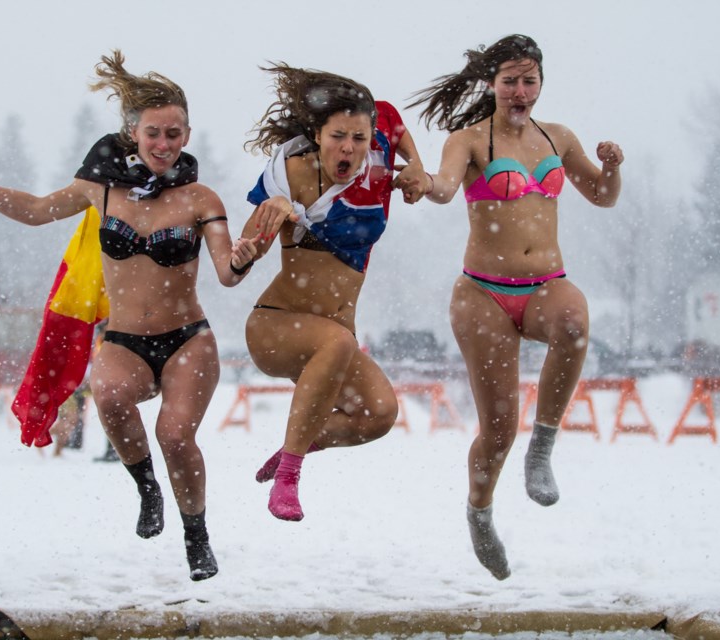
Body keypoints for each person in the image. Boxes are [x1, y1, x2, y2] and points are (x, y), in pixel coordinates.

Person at [0, 50, 258, 581]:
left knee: (176, 436)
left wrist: (244, 256)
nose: (163, 143)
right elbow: (36, 210)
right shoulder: (100, 189)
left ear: (188, 135)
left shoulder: (200, 198)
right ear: (133, 132)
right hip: (125, 339)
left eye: (174, 133)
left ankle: (196, 534)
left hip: (187, 340)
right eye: (154, 132)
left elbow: (226, 271)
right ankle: (147, 487)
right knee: (107, 395)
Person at [405, 34, 624, 579]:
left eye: (529, 81)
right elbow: (444, 186)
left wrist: (612, 167)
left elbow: (602, 195)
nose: (520, 91)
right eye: (510, 81)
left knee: (575, 322)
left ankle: (542, 450)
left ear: (540, 84)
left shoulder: (559, 137)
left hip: (547, 284)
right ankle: (480, 513)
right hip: (483, 293)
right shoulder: (471, 139)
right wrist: (422, 182)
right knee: (498, 428)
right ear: (492, 85)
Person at [240, 63, 431, 522]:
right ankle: (289, 474)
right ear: (317, 134)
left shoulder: (377, 142)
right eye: (336, 137)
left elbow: (390, 118)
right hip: (278, 325)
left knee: (379, 415)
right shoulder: (291, 174)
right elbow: (245, 253)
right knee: (339, 341)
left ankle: (297, 442)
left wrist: (419, 169)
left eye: (358, 138)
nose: (349, 147)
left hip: (337, 333)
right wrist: (248, 247)